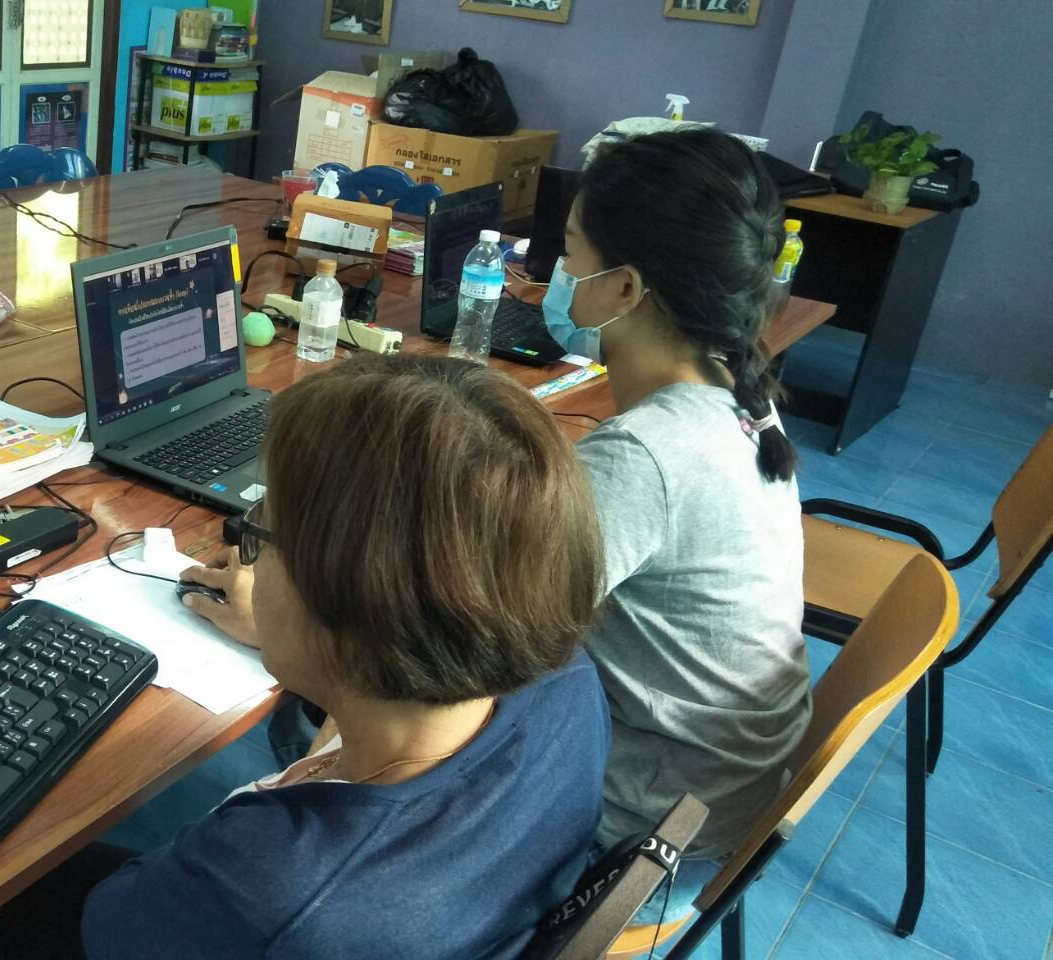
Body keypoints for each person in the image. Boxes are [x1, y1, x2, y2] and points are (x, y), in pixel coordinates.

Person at [84, 354, 610, 959]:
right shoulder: (570, 682)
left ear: (351, 604)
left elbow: (108, 923)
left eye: (261, 534)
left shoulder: (264, 889)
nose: (251, 560)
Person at [540, 127, 810, 906]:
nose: (559, 271)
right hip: (718, 790)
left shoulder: (645, 457)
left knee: (350, 689)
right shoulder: (740, 395)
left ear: (625, 289)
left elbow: (476, 635)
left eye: (570, 249)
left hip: (633, 831)